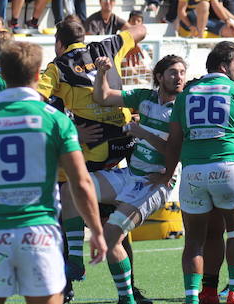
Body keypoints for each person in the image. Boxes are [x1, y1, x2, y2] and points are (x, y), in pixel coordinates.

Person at [0, 41, 106, 304]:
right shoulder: (56, 120)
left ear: (2, 74)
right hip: (39, 235)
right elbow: (81, 183)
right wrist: (96, 230)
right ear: (39, 75)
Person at [59, 54, 185, 304]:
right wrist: (103, 72)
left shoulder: (184, 106)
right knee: (71, 189)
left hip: (156, 182)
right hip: (130, 175)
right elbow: (102, 96)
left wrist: (143, 133)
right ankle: (75, 261)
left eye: (182, 72)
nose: (179, 76)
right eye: (173, 72)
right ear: (159, 77)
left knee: (110, 234)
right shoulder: (144, 97)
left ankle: (127, 298)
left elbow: (176, 151)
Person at [36, 18, 147, 298]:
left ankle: (68, 284)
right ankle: (128, 292)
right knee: (117, 226)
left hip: (92, 149)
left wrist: (70, 127)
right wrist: (127, 45)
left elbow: (34, 99)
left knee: (66, 200)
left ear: (59, 44)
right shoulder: (108, 46)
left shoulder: (57, 67)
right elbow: (141, 29)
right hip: (123, 142)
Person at [153, 41, 234, 304]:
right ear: (224, 66)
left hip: (193, 172)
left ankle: (193, 297)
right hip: (228, 167)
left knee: (194, 240)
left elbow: (174, 140)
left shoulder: (186, 94)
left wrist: (167, 175)